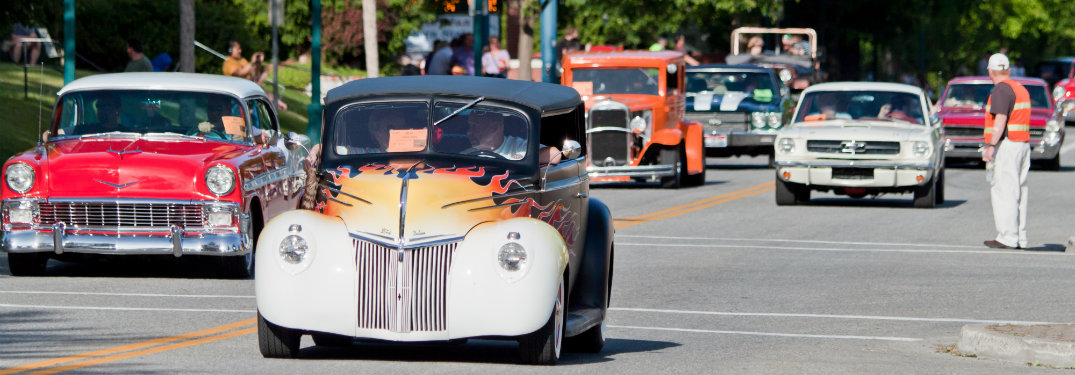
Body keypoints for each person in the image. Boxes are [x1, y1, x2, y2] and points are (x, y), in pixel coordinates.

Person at [981, 53, 1031, 250]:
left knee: (1005, 191)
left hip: (1008, 145)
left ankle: (1007, 237)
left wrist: (990, 146)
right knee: (1020, 191)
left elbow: (1000, 120)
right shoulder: (1020, 88)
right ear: (1008, 69)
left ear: (990, 71)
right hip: (1022, 144)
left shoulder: (1001, 90)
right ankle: (1020, 237)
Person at [466, 110, 560, 164]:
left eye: (475, 126)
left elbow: (554, 155)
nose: (469, 132)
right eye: (470, 126)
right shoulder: (467, 154)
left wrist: (516, 167)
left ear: (494, 128)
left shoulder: (519, 147)